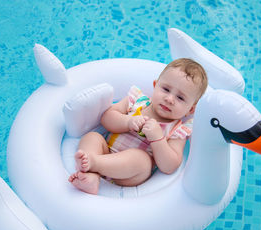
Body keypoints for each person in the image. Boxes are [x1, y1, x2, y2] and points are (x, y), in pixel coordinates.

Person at [68, 58, 208, 194]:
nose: (169, 99)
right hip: (106, 151)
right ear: (155, 85)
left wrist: (158, 139)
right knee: (92, 137)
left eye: (180, 98)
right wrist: (127, 122)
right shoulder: (136, 100)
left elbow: (170, 166)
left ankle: (94, 163)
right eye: (166, 89)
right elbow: (107, 119)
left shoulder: (177, 130)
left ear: (190, 110)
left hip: (128, 175)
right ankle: (92, 176)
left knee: (141, 159)